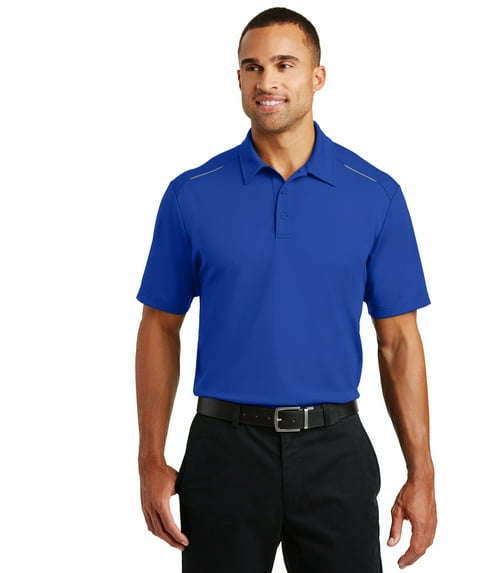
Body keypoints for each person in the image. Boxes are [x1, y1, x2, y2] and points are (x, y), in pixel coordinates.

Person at [135, 7, 437, 573]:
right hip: (223, 451)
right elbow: (159, 326)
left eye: (284, 64)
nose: (266, 81)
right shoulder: (190, 194)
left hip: (336, 450)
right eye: (252, 67)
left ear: (317, 76)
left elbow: (399, 342)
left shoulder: (376, 194)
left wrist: (422, 473)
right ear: (239, 79)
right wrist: (150, 457)